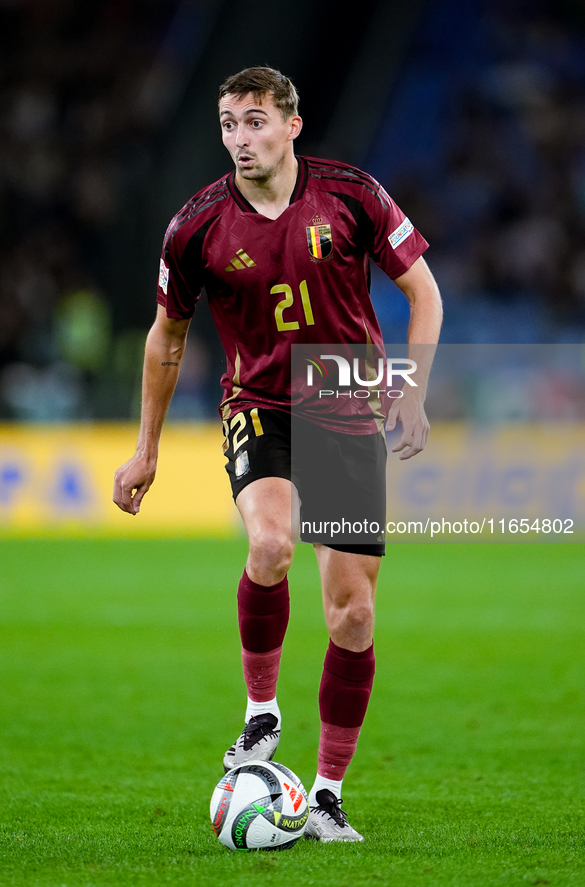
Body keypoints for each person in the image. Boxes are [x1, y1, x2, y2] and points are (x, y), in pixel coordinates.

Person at [113, 66, 443, 842]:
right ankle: (262, 714)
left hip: (344, 396)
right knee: (268, 544)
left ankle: (326, 794)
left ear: (291, 124)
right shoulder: (193, 227)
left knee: (353, 615)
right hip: (258, 402)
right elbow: (167, 335)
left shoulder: (352, 195)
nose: (239, 138)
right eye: (229, 124)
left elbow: (422, 291)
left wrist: (414, 390)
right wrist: (145, 449)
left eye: (254, 121)